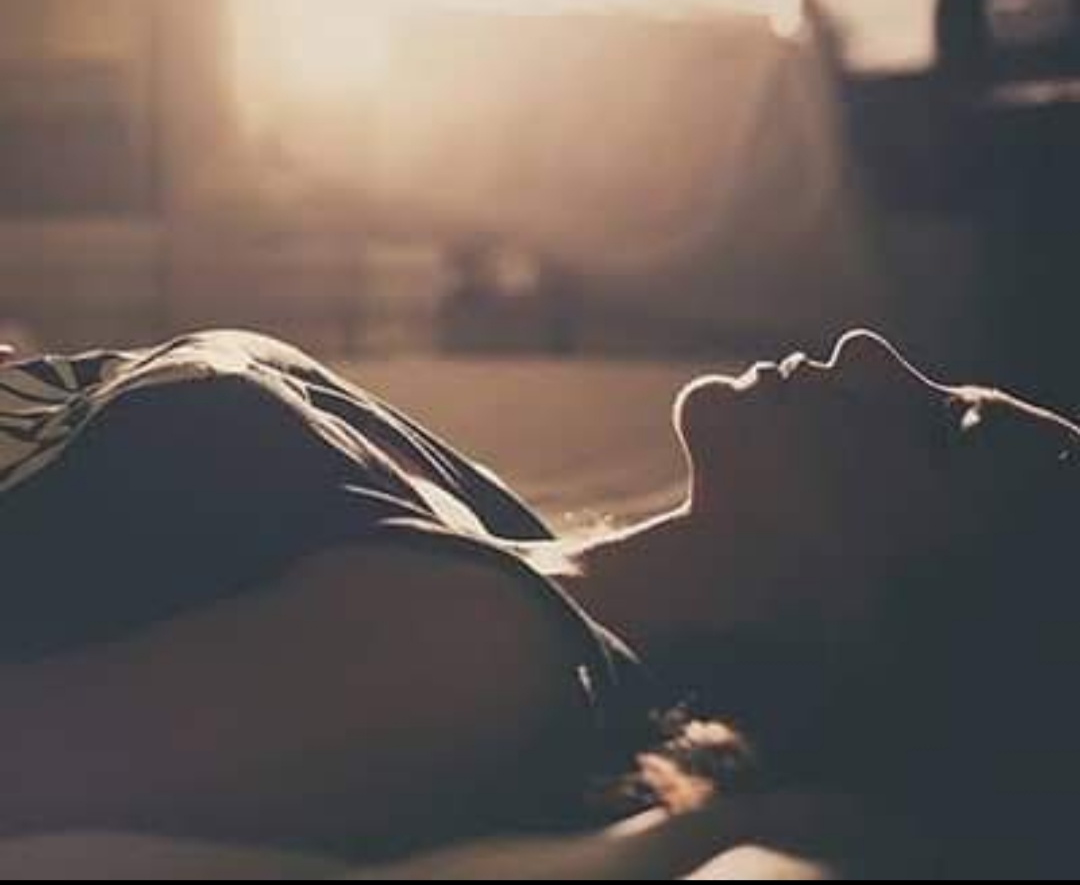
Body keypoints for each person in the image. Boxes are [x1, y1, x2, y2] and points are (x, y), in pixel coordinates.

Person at [0, 328, 1076, 877]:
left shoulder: (469, 657)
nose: (871, 353)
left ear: (891, 613)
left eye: (942, 429)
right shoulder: (499, 528)